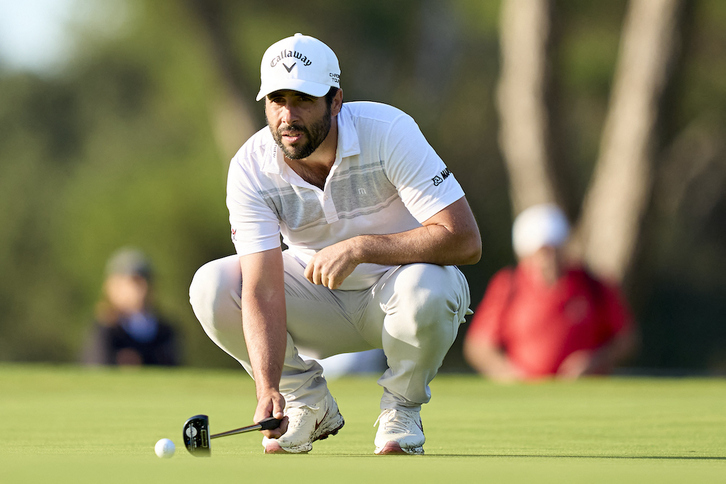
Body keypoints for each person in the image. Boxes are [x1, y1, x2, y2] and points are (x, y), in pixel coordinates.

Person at [189, 33, 481, 455]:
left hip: (398, 295)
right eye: (276, 100)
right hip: (316, 299)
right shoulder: (250, 167)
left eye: (303, 100)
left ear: (336, 100)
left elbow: (465, 240)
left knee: (428, 289)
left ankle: (402, 409)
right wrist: (268, 386)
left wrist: (362, 247)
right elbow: (263, 287)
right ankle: (305, 401)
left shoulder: (388, 131)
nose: (287, 116)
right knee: (211, 285)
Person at [463, 204, 636, 382]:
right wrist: (508, 373)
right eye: (541, 252)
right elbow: (478, 346)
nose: (548, 259)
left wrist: (594, 361)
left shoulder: (594, 284)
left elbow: (624, 339)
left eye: (554, 250)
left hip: (585, 394)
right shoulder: (508, 285)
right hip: (525, 398)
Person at [82, 247, 180, 366]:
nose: (143, 288)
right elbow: (97, 365)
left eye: (147, 280)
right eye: (135, 281)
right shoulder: (106, 330)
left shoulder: (165, 331)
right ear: (114, 286)